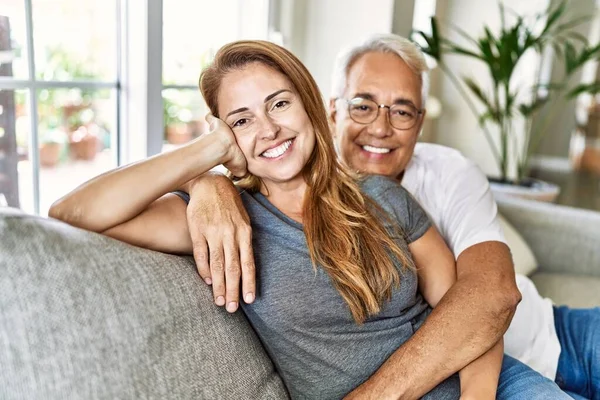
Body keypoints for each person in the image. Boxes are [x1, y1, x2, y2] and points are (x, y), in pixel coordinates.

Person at [49, 40, 567, 399]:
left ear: (312, 105)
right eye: (242, 120)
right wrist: (207, 161)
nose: (269, 130)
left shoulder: (383, 196)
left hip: (489, 386)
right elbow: (73, 212)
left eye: (279, 104)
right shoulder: (224, 222)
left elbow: (472, 317)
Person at [179, 35, 599, 399]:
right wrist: (204, 178)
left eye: (401, 111)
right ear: (331, 110)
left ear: (420, 122)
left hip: (547, 336)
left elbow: (491, 297)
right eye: (363, 106)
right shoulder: (274, 189)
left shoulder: (446, 174)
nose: (380, 128)